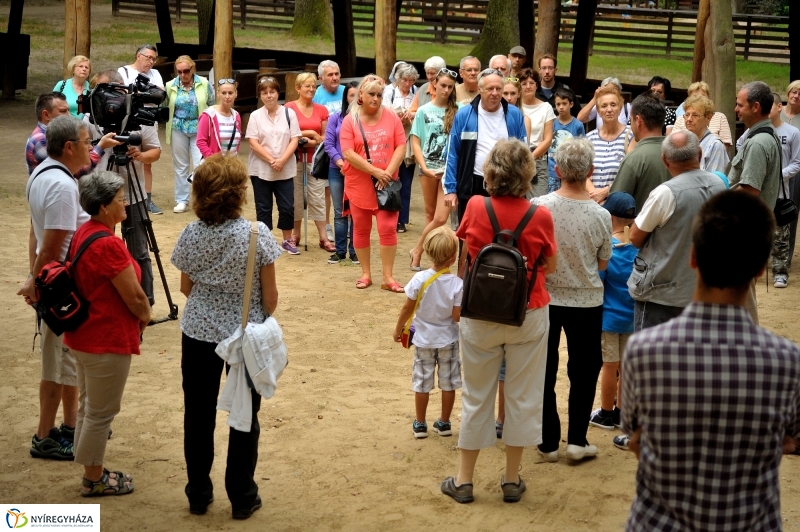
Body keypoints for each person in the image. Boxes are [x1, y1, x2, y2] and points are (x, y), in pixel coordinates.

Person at [621, 190, 800, 532]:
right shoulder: (787, 362)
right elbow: (792, 438)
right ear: (760, 268)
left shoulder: (644, 350)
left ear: (693, 259)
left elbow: (634, 435)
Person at [440, 139, 556, 504]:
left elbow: (464, 254)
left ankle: (464, 480)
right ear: (527, 173)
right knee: (522, 396)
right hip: (528, 311)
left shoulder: (476, 206)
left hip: (479, 312)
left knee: (476, 396)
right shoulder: (540, 215)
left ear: (490, 172)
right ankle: (510, 479)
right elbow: (548, 266)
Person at [171, 154, 281, 520]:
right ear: (238, 193)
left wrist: (212, 305)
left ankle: (198, 494)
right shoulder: (256, 234)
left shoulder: (191, 233)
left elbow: (187, 288)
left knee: (198, 414)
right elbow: (270, 297)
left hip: (199, 333)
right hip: (244, 337)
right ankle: (243, 496)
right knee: (244, 414)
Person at [63, 171, 150, 496]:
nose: (125, 201)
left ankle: (89, 468)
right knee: (101, 412)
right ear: (102, 206)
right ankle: (93, 478)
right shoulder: (108, 244)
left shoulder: (85, 231)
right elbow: (136, 298)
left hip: (84, 337)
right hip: (105, 339)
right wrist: (144, 318)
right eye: (119, 199)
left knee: (90, 408)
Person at [18, 115, 93, 461]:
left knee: (64, 364)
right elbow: (51, 246)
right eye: (86, 142)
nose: (90, 148)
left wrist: (34, 277)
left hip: (51, 282)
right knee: (56, 365)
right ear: (69, 147)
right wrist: (36, 284)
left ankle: (67, 426)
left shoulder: (43, 172)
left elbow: (37, 234)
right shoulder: (63, 186)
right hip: (60, 286)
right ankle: (44, 436)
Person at [534, 136, 612, 463]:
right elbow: (603, 263)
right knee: (584, 370)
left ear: (556, 168)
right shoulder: (601, 215)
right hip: (587, 301)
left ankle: (548, 440)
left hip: (547, 299)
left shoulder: (539, 207)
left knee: (544, 369)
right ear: (590, 170)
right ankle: (577, 439)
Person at [628, 130, 727, 331]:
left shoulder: (665, 192)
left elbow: (635, 238)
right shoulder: (719, 185)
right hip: (704, 289)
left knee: (653, 358)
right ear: (699, 154)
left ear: (665, 160)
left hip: (662, 293)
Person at [393, 226, 462, 439]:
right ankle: (444, 422)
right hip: (448, 339)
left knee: (422, 383)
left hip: (423, 339)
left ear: (427, 252)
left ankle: (420, 424)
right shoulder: (458, 284)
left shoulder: (419, 279)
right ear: (453, 257)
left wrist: (398, 329)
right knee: (448, 383)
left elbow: (407, 307)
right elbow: (457, 317)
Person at [340, 74, 407, 292]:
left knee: (388, 228)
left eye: (379, 95)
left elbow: (401, 145)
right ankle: (365, 273)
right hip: (359, 184)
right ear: (361, 94)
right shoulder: (350, 120)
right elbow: (348, 153)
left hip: (386, 184)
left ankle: (388, 277)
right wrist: (374, 171)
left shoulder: (391, 117)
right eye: (371, 94)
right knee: (361, 228)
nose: (376, 99)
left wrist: (386, 173)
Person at [443, 69, 528, 224]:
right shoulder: (464, 115)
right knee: (470, 235)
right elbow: (452, 153)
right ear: (480, 89)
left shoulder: (514, 114)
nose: (495, 93)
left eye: (498, 89)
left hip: (507, 185)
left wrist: (523, 185)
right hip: (473, 184)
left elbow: (524, 153)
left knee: (504, 234)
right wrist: (450, 189)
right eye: (490, 89)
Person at [729, 81, 783, 323]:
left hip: (745, 229)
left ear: (756, 106)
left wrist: (715, 198)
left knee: (741, 290)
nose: (736, 109)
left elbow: (749, 190)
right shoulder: (762, 136)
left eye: (740, 105)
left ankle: (746, 342)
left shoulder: (759, 143)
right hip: (750, 227)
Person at [587, 193, 637, 441]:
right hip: (632, 318)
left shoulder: (610, 250)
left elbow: (600, 280)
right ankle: (622, 411)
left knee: (610, 365)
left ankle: (606, 413)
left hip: (609, 318)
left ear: (611, 217)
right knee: (626, 368)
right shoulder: (638, 250)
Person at [737, 92, 800, 289]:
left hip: (780, 191)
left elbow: (797, 162)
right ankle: (756, 265)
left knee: (780, 234)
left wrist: (776, 174)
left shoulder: (793, 133)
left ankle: (780, 271)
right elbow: (740, 145)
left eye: (772, 106)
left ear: (779, 108)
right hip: (758, 189)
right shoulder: (754, 132)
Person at [408, 68, 460, 271]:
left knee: (440, 217)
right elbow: (416, 142)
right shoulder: (423, 110)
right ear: (434, 86)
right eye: (443, 85)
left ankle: (418, 250)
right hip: (428, 168)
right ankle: (434, 257)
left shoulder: (458, 110)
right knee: (430, 216)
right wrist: (424, 167)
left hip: (448, 170)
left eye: (450, 87)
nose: (446, 90)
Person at [246, 76, 301, 254]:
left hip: (285, 168)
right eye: (265, 92)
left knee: (287, 206)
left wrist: (282, 160)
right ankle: (266, 241)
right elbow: (253, 143)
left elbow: (295, 139)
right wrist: (271, 160)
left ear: (278, 93)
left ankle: (287, 240)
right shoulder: (255, 116)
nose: (269, 96)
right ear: (260, 95)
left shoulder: (289, 113)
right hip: (261, 169)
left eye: (272, 92)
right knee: (263, 206)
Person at [285, 72, 333, 251]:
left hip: (315, 159)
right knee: (296, 196)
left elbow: (324, 137)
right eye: (307, 86)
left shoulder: (321, 110)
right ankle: (295, 234)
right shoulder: (289, 108)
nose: (311, 89)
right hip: (295, 157)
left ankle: (323, 236)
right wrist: (309, 134)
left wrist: (311, 139)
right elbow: (287, 132)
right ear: (298, 88)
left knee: (318, 196)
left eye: (313, 86)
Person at [118, 44, 164, 215]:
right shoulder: (123, 71)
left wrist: (137, 91)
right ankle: (126, 198)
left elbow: (160, 94)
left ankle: (147, 199)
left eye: (154, 59)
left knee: (148, 160)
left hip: (149, 120)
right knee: (130, 158)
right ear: (138, 56)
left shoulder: (155, 73)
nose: (151, 62)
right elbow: (123, 92)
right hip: (130, 119)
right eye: (148, 58)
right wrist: (144, 92)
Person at [165, 56, 214, 214]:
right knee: (181, 166)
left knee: (202, 165)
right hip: (178, 127)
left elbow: (212, 103)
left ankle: (203, 198)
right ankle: (182, 200)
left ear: (192, 69)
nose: (183, 74)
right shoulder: (170, 85)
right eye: (179, 72)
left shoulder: (204, 83)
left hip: (199, 128)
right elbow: (165, 105)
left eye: (186, 71)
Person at [609, 93, 671, 211]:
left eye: (630, 120)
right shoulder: (678, 154)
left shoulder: (634, 159)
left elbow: (616, 204)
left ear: (638, 120)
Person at [324, 80, 360, 264]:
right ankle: (340, 251)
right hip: (337, 170)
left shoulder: (364, 120)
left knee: (356, 211)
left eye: (357, 95)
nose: (354, 98)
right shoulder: (335, 118)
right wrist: (340, 163)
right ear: (346, 97)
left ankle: (355, 251)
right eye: (351, 95)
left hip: (358, 171)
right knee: (339, 211)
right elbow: (328, 144)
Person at [383, 62, 419, 233]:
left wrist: (411, 115)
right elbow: (383, 111)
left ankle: (402, 220)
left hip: (409, 141)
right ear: (398, 79)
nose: (408, 84)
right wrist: (397, 116)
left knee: (406, 181)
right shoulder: (389, 92)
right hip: (391, 142)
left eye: (411, 80)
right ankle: (389, 214)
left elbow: (420, 111)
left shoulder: (416, 92)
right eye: (405, 80)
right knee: (391, 179)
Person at [585, 85, 631, 203]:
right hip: (592, 203)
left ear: (620, 108)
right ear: (599, 111)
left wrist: (604, 193)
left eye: (613, 105)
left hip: (618, 204)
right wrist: (594, 195)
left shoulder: (631, 136)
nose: (609, 109)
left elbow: (630, 174)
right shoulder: (589, 138)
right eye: (604, 106)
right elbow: (582, 173)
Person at [519, 68, 555, 198]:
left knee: (537, 202)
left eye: (531, 83)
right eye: (524, 84)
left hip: (537, 158)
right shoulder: (515, 107)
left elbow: (548, 139)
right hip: (516, 158)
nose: (528, 87)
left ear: (537, 86)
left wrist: (530, 158)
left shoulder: (546, 107)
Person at [671, 81, 733, 146]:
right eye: (695, 96)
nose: (699, 99)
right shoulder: (681, 118)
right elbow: (672, 142)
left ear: (708, 97)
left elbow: (726, 144)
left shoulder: (720, 117)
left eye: (702, 96)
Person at [547, 86, 585, 193]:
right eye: (558, 104)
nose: (561, 107)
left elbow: (582, 148)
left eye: (564, 103)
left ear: (571, 104)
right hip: (552, 171)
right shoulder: (551, 123)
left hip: (570, 172)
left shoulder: (578, 125)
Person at [681, 94, 729, 174]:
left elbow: (712, 182)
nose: (689, 119)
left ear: (708, 118)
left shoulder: (715, 145)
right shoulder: (683, 141)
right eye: (687, 115)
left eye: (695, 115)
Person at [26, 92, 71, 176]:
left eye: (68, 110)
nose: (69, 116)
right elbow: (67, 171)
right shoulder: (42, 139)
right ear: (46, 115)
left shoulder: (51, 135)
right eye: (63, 111)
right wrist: (99, 148)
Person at [780, 80, 800, 266]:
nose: (796, 96)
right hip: (774, 169)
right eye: (793, 92)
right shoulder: (776, 113)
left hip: (796, 172)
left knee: (790, 213)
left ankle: (785, 256)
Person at [197, 79, 242, 158]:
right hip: (214, 164)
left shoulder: (236, 115)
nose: (227, 96)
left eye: (230, 93)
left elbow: (237, 142)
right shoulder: (208, 115)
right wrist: (213, 160)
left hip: (232, 164)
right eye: (224, 93)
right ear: (218, 94)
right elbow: (201, 142)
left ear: (236, 94)